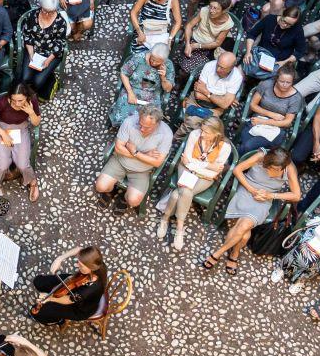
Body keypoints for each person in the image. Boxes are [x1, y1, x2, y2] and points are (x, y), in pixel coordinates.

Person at [208, 146, 302, 272]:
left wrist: (271, 195)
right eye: (271, 167)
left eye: (277, 169)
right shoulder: (260, 156)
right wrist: (251, 190)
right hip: (247, 190)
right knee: (245, 236)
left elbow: (296, 195)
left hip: (264, 199)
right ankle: (234, 254)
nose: (273, 171)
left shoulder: (289, 168)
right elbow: (237, 170)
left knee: (242, 228)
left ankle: (218, 253)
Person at [158, 117, 231, 253]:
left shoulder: (225, 147)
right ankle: (180, 228)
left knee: (177, 194)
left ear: (217, 134)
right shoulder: (195, 134)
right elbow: (185, 160)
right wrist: (208, 166)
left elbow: (214, 171)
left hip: (205, 177)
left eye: (206, 132)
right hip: (186, 169)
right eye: (202, 130)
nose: (202, 134)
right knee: (186, 192)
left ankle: (165, 218)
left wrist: (194, 165)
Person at [96, 106, 173, 215]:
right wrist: (143, 155)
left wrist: (135, 152)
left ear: (157, 124)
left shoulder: (166, 134)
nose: (142, 129)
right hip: (120, 161)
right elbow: (118, 148)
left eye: (147, 127)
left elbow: (157, 162)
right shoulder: (129, 121)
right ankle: (110, 191)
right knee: (100, 187)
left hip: (142, 171)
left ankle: (124, 197)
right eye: (140, 124)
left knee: (134, 201)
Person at [0, 83, 42, 212]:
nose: (16, 103)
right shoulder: (3, 102)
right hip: (2, 129)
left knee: (23, 164)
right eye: (13, 100)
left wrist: (31, 112)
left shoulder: (32, 101)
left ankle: (32, 181)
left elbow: (36, 122)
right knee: (2, 164)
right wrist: (3, 134)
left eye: (20, 100)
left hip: (21, 129)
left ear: (26, 97)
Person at [29, 245, 108, 327]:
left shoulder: (89, 290)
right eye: (78, 262)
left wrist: (49, 298)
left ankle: (58, 320)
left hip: (80, 308)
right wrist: (59, 259)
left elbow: (69, 299)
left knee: (37, 312)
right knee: (39, 281)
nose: (77, 266)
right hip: (75, 282)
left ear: (91, 268)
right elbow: (78, 249)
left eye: (81, 265)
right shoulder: (96, 262)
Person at [237, 66, 305, 153]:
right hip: (256, 120)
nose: (284, 85)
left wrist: (263, 122)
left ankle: (231, 162)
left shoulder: (296, 98)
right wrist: (271, 114)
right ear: (276, 78)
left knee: (248, 146)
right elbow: (253, 105)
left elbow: (287, 122)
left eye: (288, 82)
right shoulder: (266, 85)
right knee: (247, 145)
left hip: (276, 128)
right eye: (281, 81)